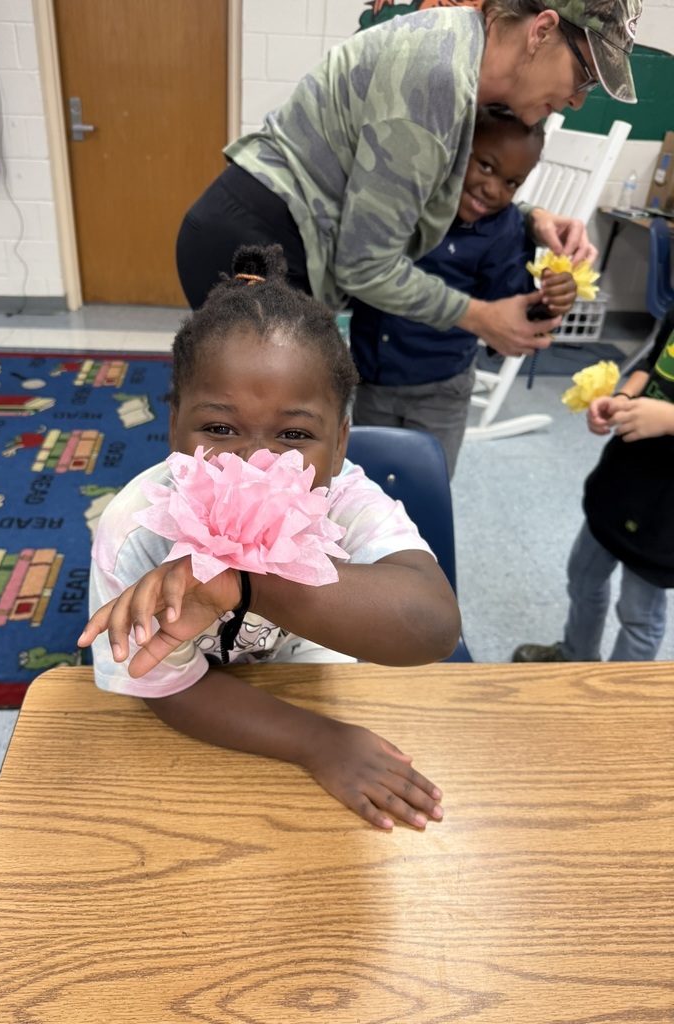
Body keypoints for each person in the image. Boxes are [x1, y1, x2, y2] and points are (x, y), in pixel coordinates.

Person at [78, 246, 462, 832]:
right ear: (173, 426)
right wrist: (317, 742)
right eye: (220, 428)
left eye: (294, 433)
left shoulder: (345, 498)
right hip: (204, 727)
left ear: (339, 446)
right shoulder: (136, 531)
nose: (256, 464)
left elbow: (433, 626)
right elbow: (166, 686)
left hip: (315, 681)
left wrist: (250, 584)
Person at [176, 0, 639, 359]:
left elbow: (427, 186)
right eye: (583, 78)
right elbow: (366, 267)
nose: (578, 101)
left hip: (269, 230)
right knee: (271, 442)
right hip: (259, 244)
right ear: (541, 31)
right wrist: (480, 317)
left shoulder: (460, 53)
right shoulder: (436, 78)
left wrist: (531, 217)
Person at [349, 105, 578, 477]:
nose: (493, 189)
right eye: (486, 166)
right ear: (456, 152)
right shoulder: (407, 201)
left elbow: (516, 313)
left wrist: (552, 298)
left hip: (440, 391)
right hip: (371, 379)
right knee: (365, 482)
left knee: (427, 484)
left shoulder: (504, 232)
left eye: (511, 183)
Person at [513, 306, 674, 663]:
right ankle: (576, 656)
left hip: (665, 513)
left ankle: (616, 702)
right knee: (582, 577)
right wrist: (624, 399)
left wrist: (668, 418)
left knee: (639, 614)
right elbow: (651, 361)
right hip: (624, 477)